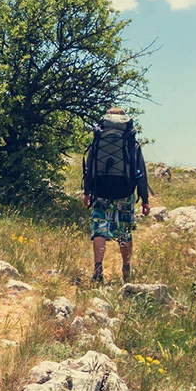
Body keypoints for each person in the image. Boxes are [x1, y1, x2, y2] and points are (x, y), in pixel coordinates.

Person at [82, 107, 149, 284]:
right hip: (124, 192)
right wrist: (145, 200)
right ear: (125, 121)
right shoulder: (131, 143)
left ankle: (98, 268)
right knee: (124, 231)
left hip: (100, 190)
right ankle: (126, 268)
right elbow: (140, 172)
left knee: (99, 228)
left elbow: (89, 169)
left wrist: (87, 193)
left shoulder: (98, 140)